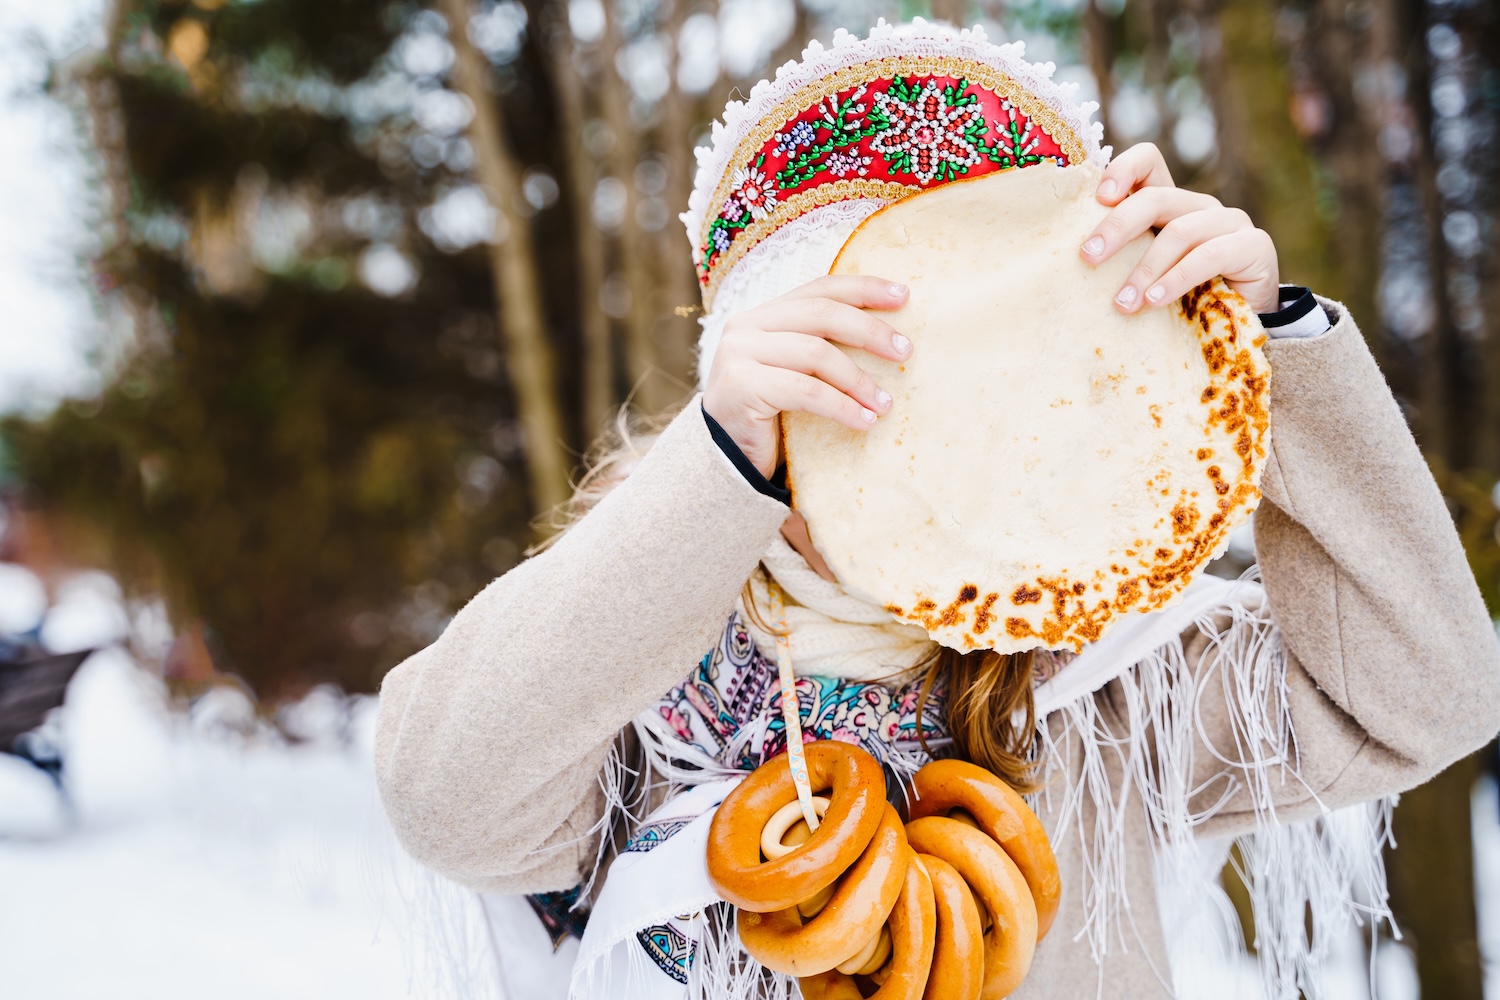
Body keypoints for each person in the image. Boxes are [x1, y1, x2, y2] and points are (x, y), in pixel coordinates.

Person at [373, 20, 1500, 1000]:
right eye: (849, 384)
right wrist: (715, 469)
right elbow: (446, 797)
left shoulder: (1106, 678)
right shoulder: (631, 659)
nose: (898, 447)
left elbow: (1428, 695)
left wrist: (1273, 350)